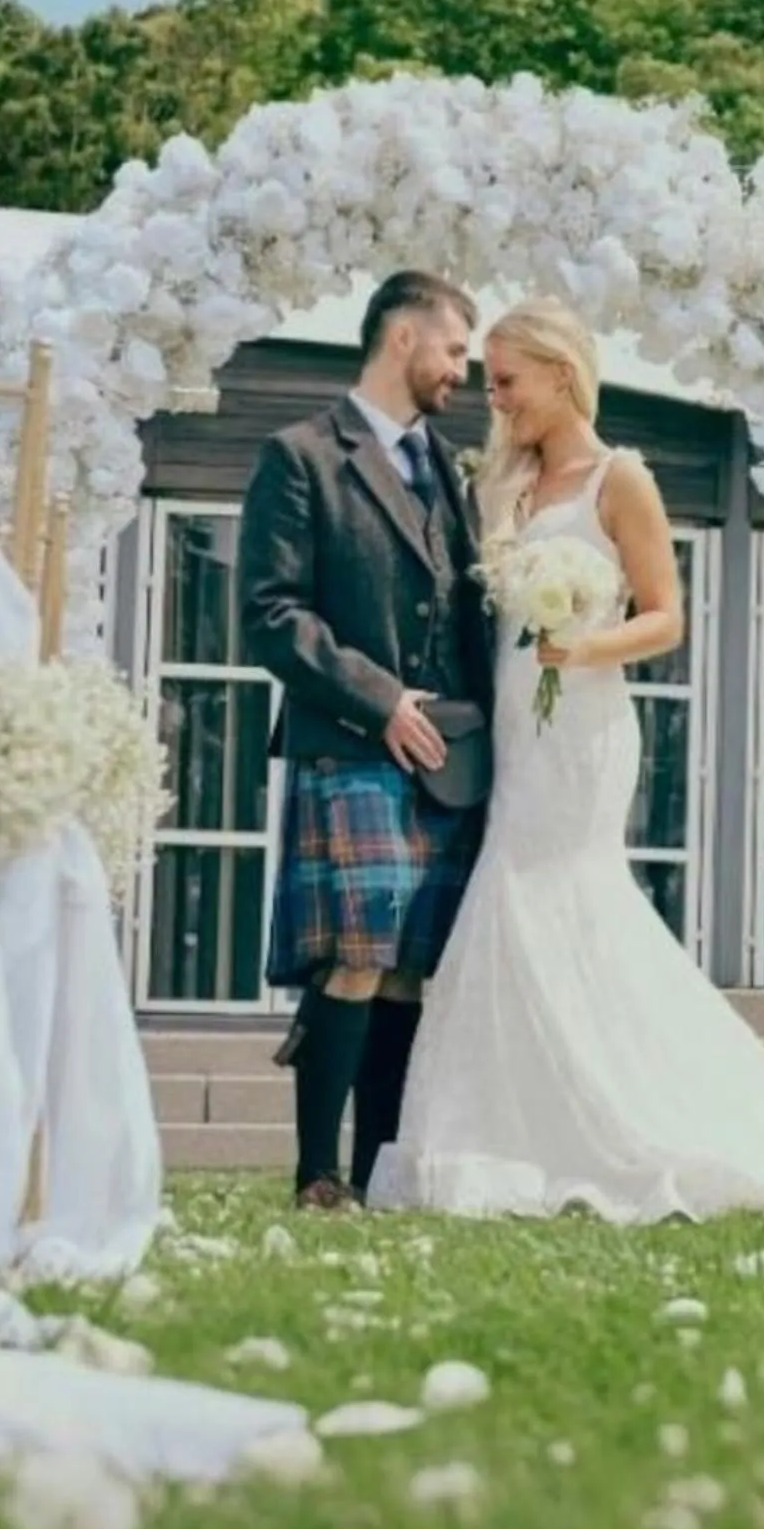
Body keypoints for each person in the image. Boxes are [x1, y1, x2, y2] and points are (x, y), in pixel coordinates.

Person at [367, 296, 764, 1221]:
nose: (498, 398)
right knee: (511, 898)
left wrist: (583, 644)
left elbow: (666, 614)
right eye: (488, 382)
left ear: (562, 374)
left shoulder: (621, 478)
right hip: (517, 727)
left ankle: (628, 1114)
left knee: (556, 891)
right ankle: (510, 1134)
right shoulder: (502, 485)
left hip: (585, 722)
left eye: (509, 381)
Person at [241, 270, 494, 1210]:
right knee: (353, 953)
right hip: (351, 740)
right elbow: (270, 615)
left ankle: (379, 1172)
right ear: (401, 339)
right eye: (455, 350)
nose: (462, 372)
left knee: (406, 972)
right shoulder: (301, 456)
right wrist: (382, 700)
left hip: (449, 760)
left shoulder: (454, 473)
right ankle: (317, 1175)